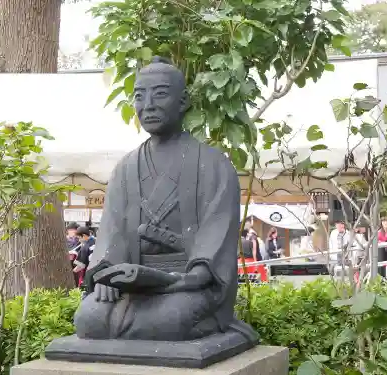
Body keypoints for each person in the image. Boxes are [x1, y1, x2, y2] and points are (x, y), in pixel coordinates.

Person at [73, 57, 255, 342]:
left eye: (159, 94)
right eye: (139, 96)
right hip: (131, 285)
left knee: (167, 322)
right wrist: (106, 275)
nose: (148, 105)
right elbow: (112, 233)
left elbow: (215, 240)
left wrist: (184, 279)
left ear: (183, 102)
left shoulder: (213, 165)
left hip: (188, 285)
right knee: (89, 319)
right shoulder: (125, 168)